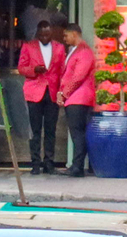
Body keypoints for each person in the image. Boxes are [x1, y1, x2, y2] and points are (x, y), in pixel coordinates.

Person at [18, 18, 64, 172]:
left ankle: (49, 163)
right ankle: (35, 163)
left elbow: (62, 71)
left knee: (51, 130)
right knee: (35, 130)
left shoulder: (59, 48)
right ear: (37, 33)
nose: (44, 38)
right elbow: (21, 68)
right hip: (34, 92)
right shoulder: (28, 46)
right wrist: (34, 69)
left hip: (52, 92)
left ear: (51, 33)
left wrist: (61, 91)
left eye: (47, 35)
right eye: (42, 35)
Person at [56, 22, 97, 177]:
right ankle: (75, 165)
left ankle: (77, 167)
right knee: (76, 133)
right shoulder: (75, 51)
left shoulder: (84, 52)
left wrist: (64, 93)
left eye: (66, 35)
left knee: (77, 133)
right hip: (74, 98)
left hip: (79, 98)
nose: (64, 38)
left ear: (74, 34)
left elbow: (78, 77)